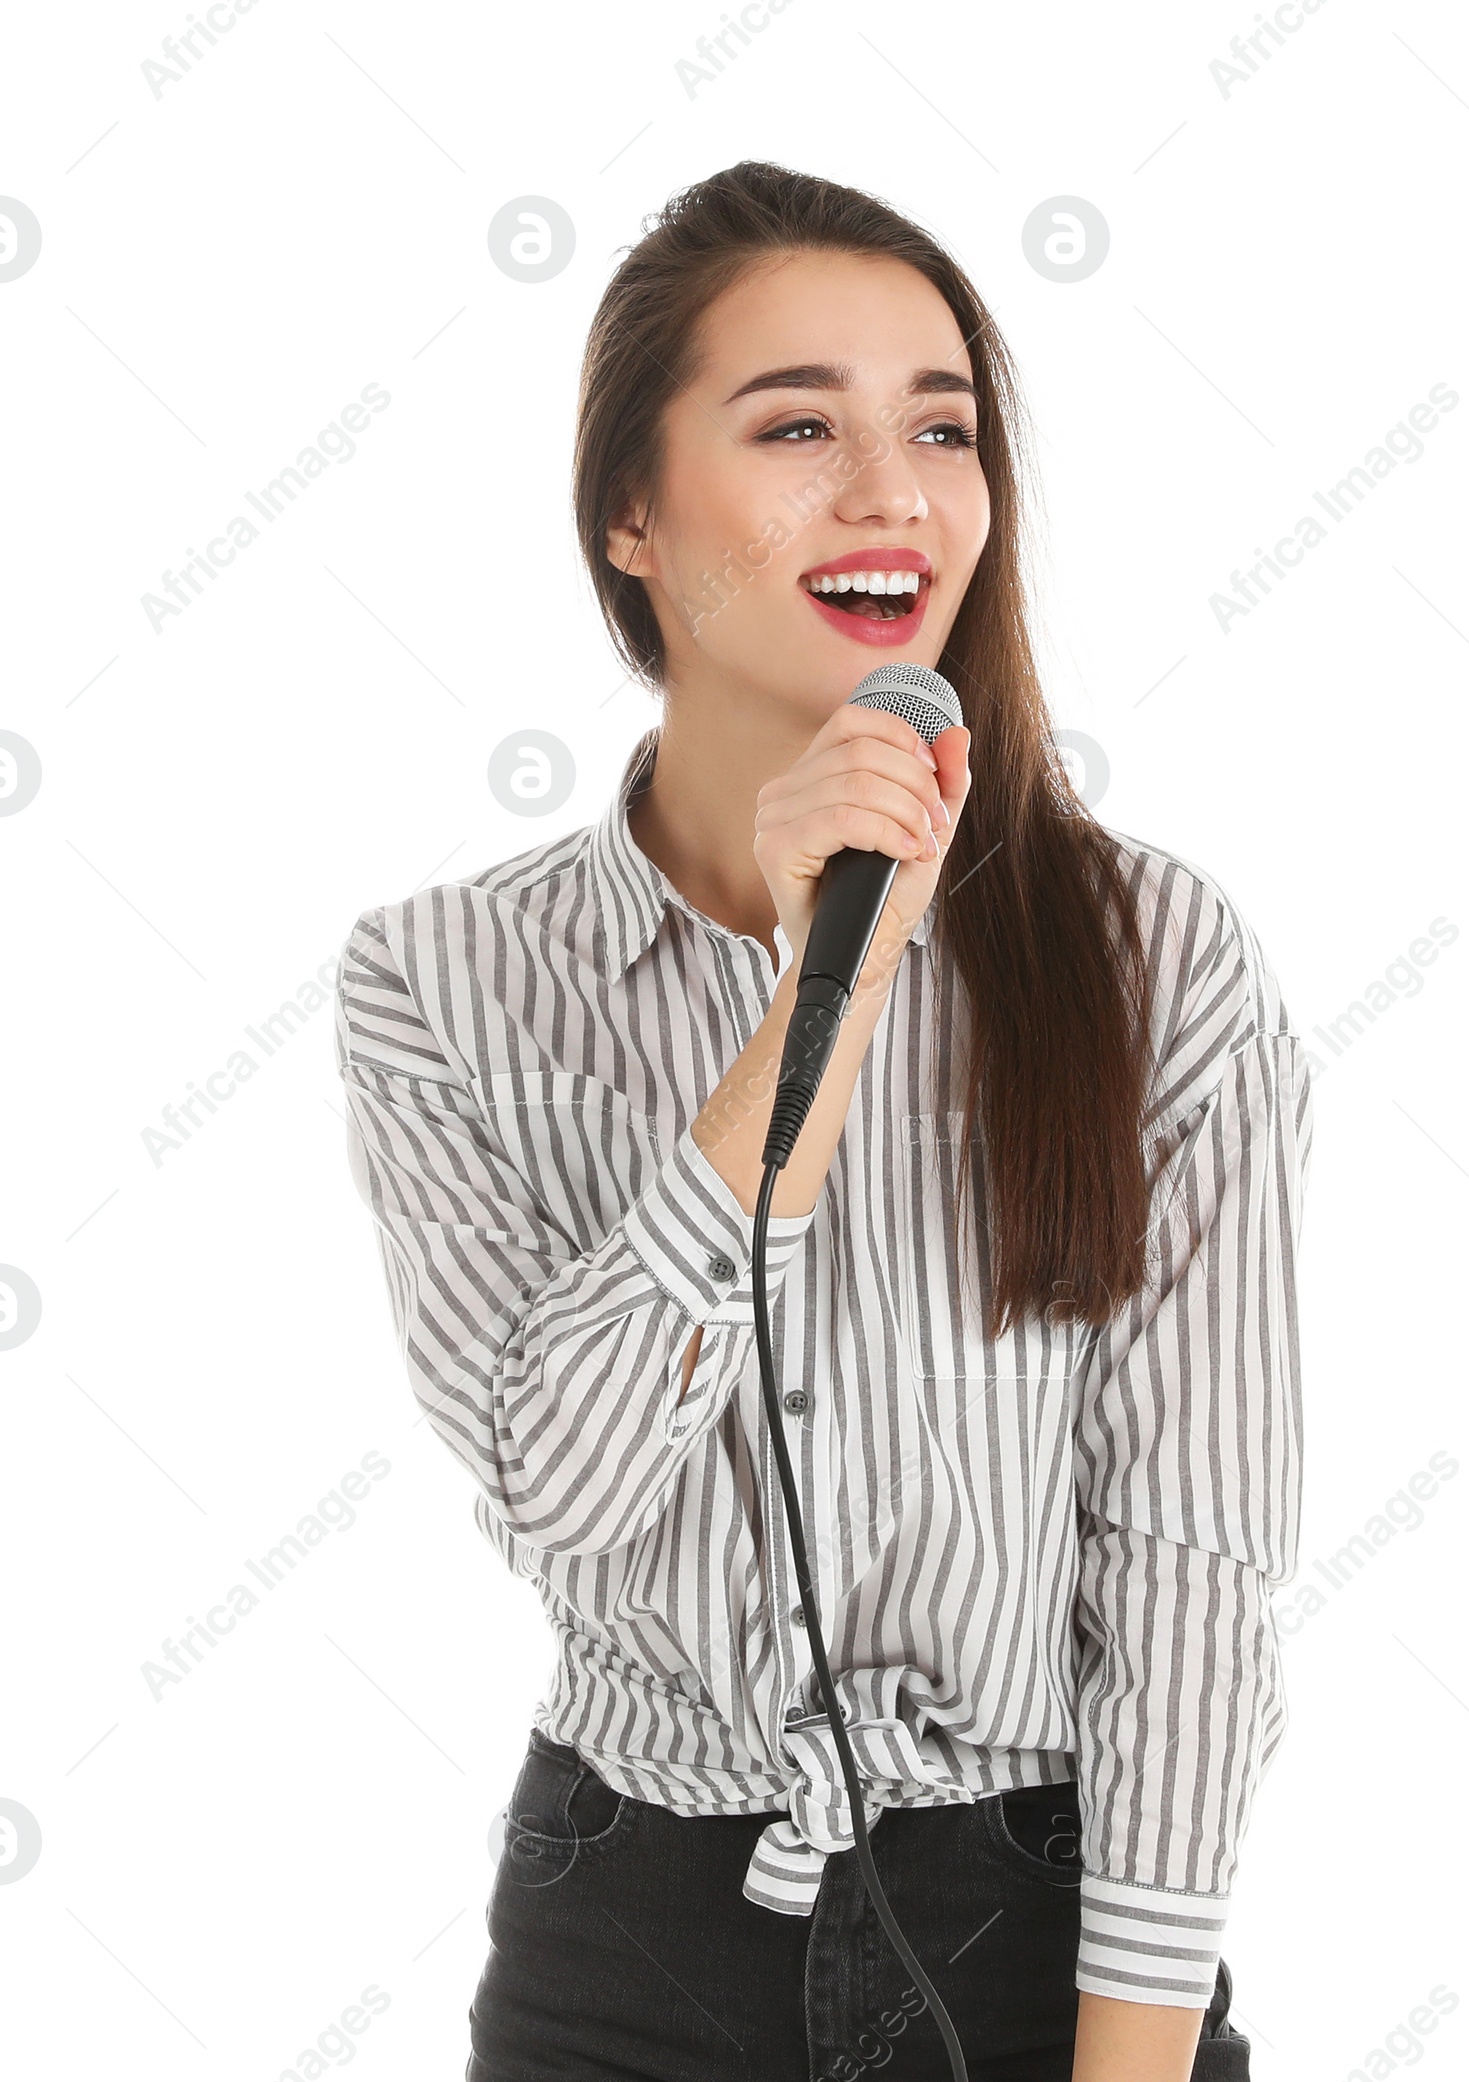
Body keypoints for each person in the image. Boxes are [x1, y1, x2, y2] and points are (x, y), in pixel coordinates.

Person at [334, 161, 1310, 2082]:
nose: (892, 494)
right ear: (630, 512)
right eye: (798, 425)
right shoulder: (438, 983)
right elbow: (563, 1486)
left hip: (1054, 1926)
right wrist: (825, 987)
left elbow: (1195, 1573)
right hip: (634, 1931)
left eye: (941, 429)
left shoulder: (1157, 957)